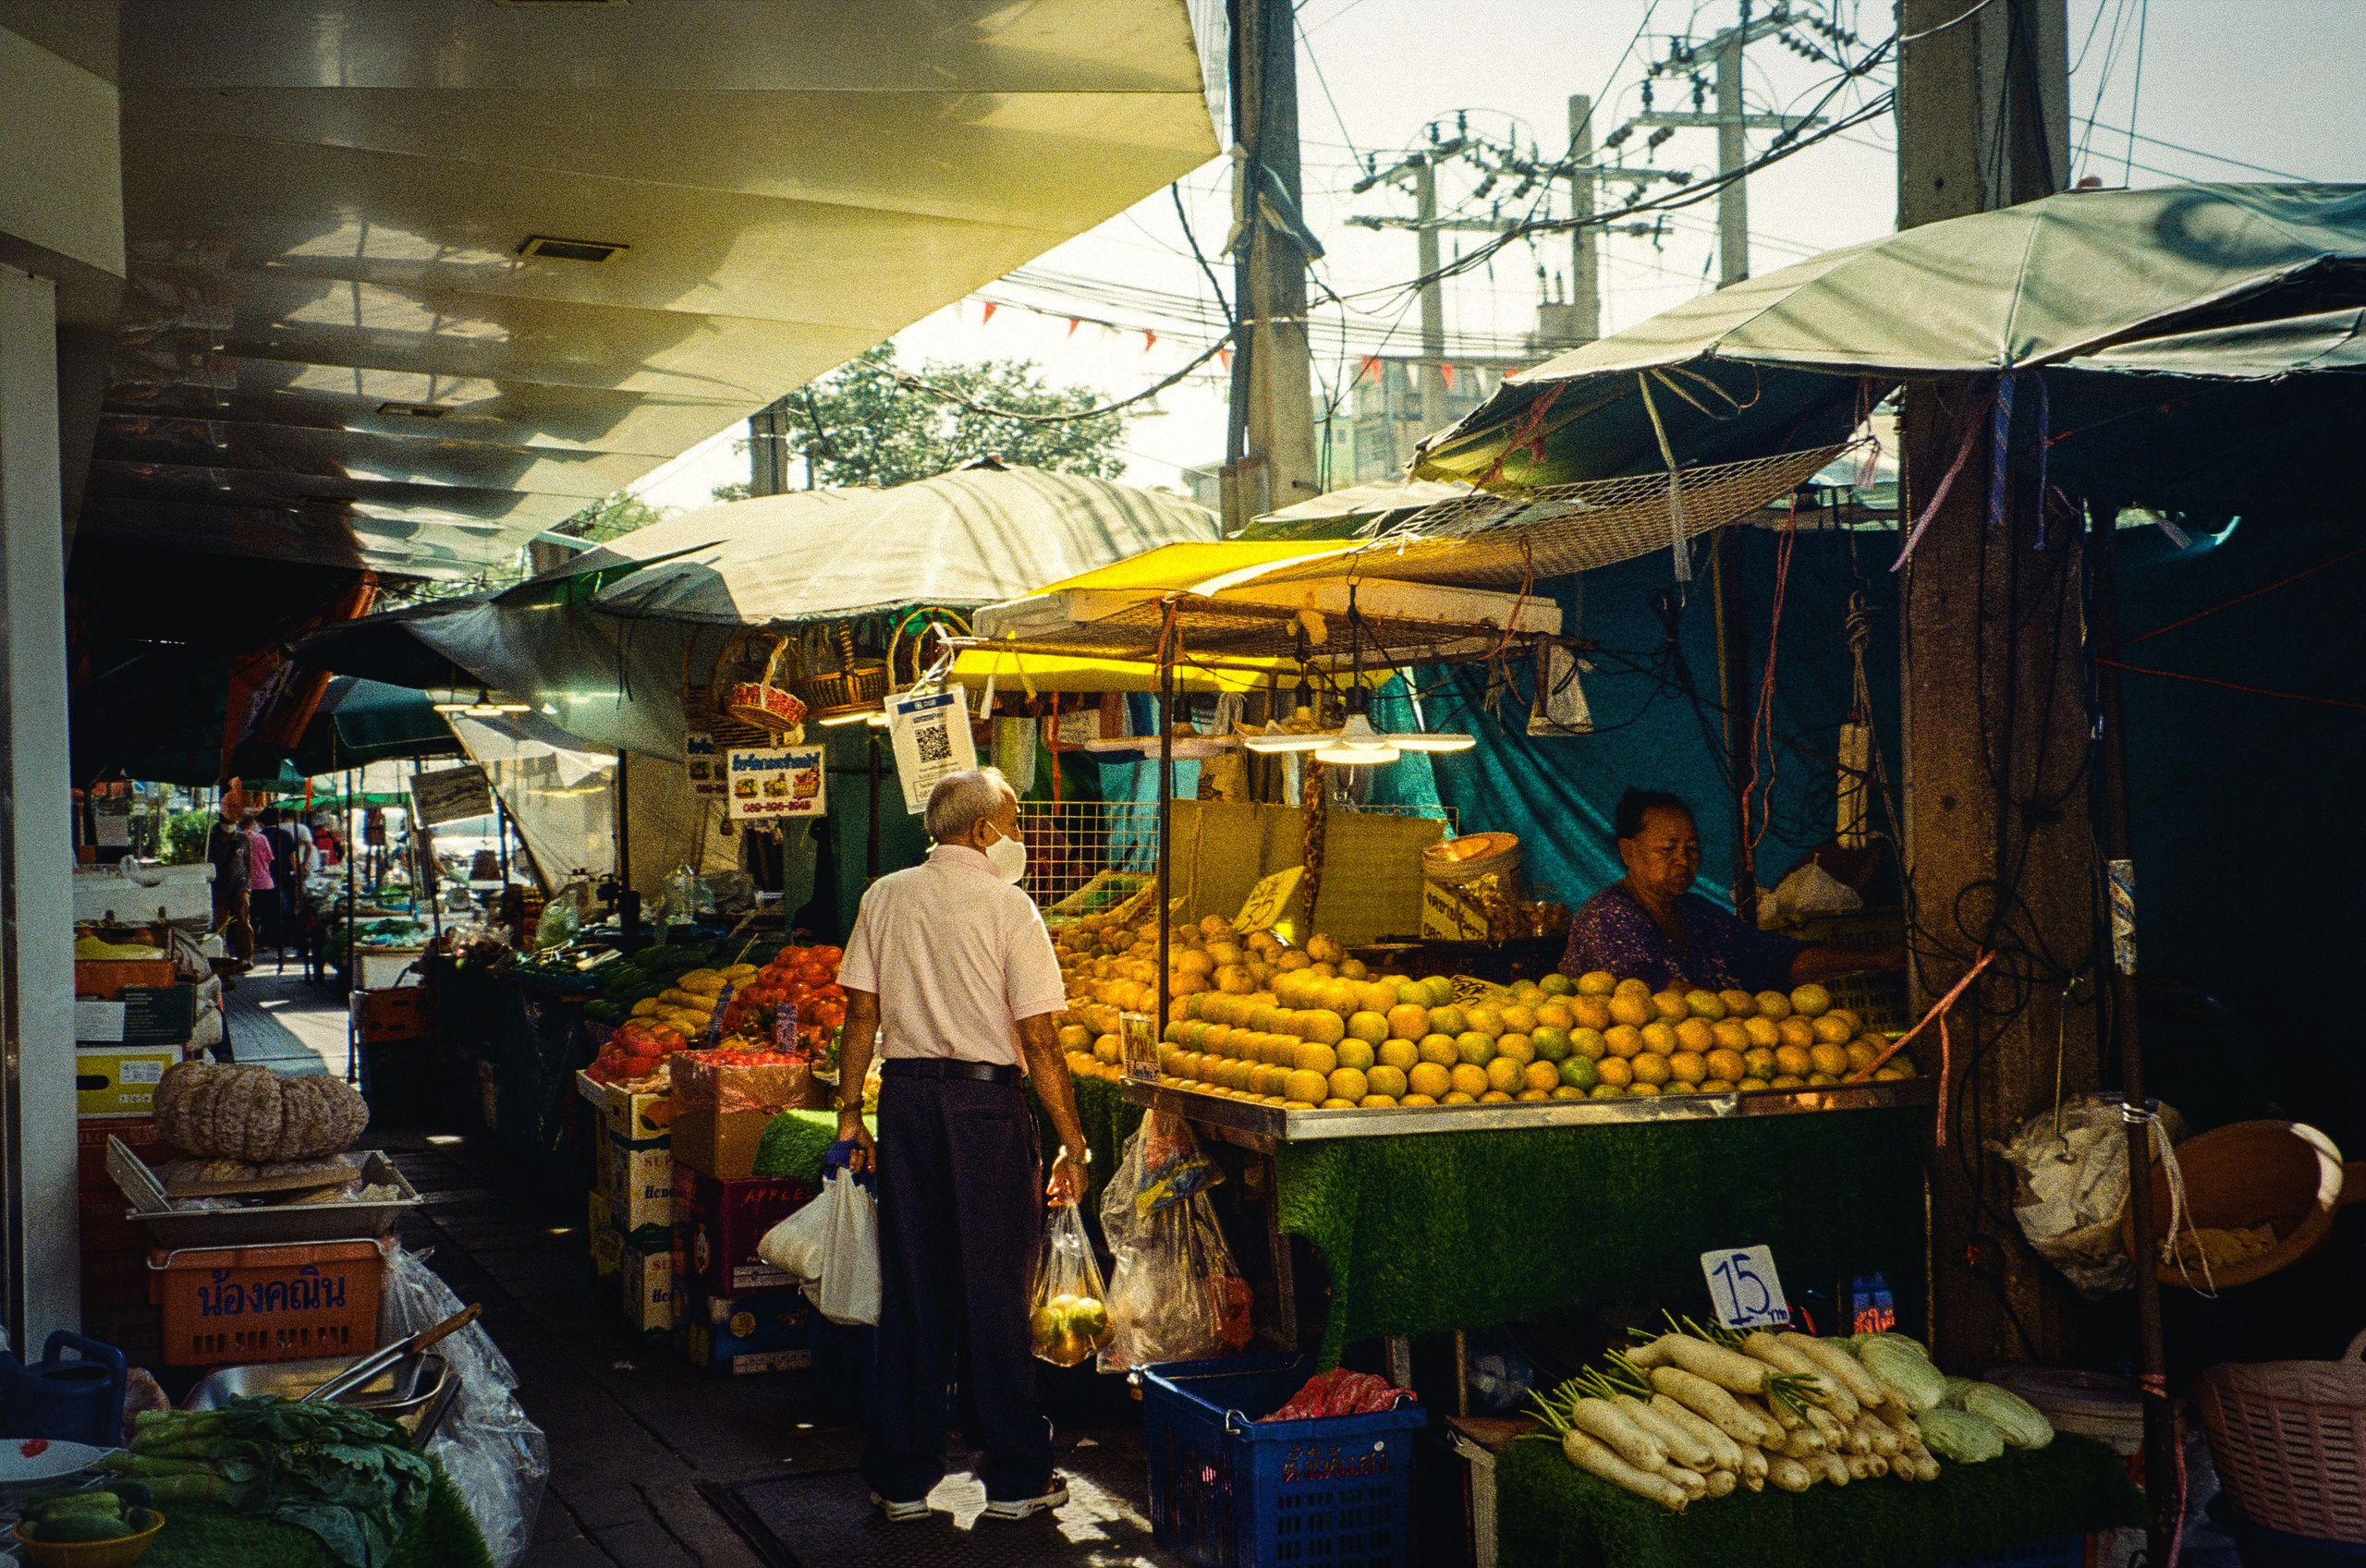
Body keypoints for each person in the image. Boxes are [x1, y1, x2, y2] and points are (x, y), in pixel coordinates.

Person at [835, 767, 1089, 1524]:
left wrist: (852, 1114)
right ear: (983, 830)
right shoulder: (1012, 908)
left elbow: (859, 1015)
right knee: (994, 1291)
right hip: (985, 1109)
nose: (1017, 835)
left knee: (914, 1288)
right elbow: (1039, 1038)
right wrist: (1072, 1139)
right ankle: (1014, 1476)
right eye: (1012, 821)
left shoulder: (884, 895)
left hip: (908, 1103)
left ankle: (901, 1477)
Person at [1562, 788, 1904, 994]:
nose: (1683, 860)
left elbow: (1769, 955)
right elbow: (1651, 989)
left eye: (1692, 848)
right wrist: (1741, 1016)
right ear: (1629, 852)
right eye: (1668, 849)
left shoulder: (1696, 913)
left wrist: (1873, 960)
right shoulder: (1609, 915)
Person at [206, 804, 254, 965]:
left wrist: (249, 884)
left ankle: (246, 957)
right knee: (219, 924)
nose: (230, 823)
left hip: (240, 886)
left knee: (243, 921)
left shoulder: (242, 839)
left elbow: (248, 862)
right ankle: (222, 955)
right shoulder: (210, 840)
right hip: (218, 886)